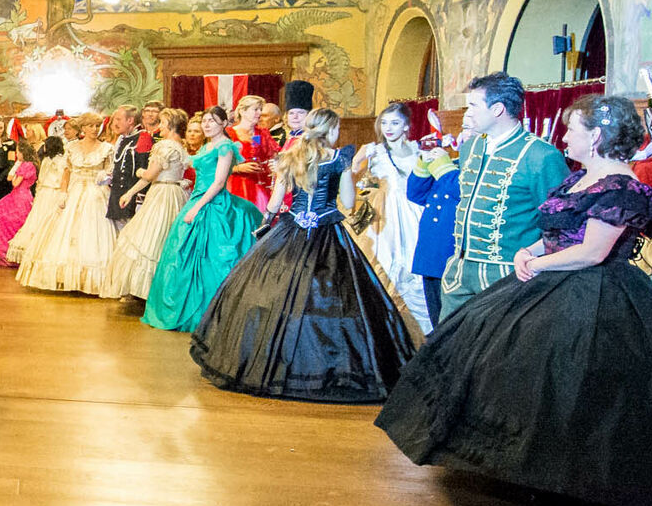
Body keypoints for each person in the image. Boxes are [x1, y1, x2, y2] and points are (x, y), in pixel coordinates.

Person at [377, 95, 652, 506]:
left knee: (575, 384)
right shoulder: (579, 180)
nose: (565, 136)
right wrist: (527, 251)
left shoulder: (621, 186)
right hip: (549, 280)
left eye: (573, 129)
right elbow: (552, 230)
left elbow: (592, 252)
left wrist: (538, 262)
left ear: (597, 136)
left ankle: (574, 484)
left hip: (599, 295)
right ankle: (518, 469)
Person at [191, 108, 411, 402]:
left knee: (276, 295)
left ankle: (275, 364)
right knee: (331, 298)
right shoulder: (339, 160)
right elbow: (347, 201)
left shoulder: (289, 158)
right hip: (327, 232)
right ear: (331, 130)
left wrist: (267, 224)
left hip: (291, 230)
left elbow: (274, 203)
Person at [438, 72, 569, 317]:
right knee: (446, 347)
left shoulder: (541, 156)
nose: (468, 113)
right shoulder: (470, 146)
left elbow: (562, 226)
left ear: (497, 109)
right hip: (458, 272)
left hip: (509, 277)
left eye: (474, 105)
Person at [145, 108, 259, 333]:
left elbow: (218, 183)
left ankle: (209, 311)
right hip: (197, 197)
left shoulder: (225, 146)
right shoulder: (207, 146)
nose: (207, 125)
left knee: (211, 257)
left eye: (213, 121)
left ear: (224, 123)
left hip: (212, 203)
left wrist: (196, 207)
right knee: (180, 253)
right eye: (205, 121)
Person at [352, 101, 434, 337]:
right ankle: (386, 331)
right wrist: (358, 164)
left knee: (414, 270)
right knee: (384, 266)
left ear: (406, 125)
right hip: (382, 217)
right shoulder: (373, 151)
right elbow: (360, 183)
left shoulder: (419, 151)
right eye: (385, 122)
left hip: (414, 214)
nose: (389, 128)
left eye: (395, 122)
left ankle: (421, 331)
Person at [14, 114, 117, 295]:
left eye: (97, 126)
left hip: (97, 193)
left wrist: (104, 178)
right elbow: (67, 173)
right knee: (65, 232)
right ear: (83, 129)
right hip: (75, 191)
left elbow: (110, 173)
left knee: (92, 233)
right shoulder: (71, 147)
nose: (95, 129)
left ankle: (90, 279)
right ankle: (65, 277)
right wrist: (63, 193)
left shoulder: (106, 148)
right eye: (91, 125)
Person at [103, 109, 193, 300]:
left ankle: (145, 290)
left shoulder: (165, 146)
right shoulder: (181, 146)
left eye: (162, 122)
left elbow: (150, 176)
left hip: (162, 194)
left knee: (150, 237)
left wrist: (139, 172)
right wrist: (130, 192)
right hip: (177, 193)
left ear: (170, 124)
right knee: (166, 238)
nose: (159, 126)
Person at [403, 130, 463, 330]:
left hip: (450, 253)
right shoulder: (453, 166)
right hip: (431, 253)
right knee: (436, 317)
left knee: (451, 321)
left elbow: (460, 191)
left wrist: (444, 167)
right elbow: (416, 194)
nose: (463, 134)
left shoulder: (466, 171)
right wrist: (425, 161)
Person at [0, 134, 65, 267]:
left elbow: (13, 182)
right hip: (28, 195)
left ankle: (3, 249)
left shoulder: (26, 165)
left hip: (19, 196)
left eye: (18, 151)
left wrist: (16, 169)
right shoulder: (37, 163)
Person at [227, 94, 276, 209]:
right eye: (255, 109)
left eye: (260, 109)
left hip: (259, 185)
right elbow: (214, 163)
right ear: (243, 112)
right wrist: (238, 168)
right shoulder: (229, 134)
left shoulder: (263, 133)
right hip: (235, 186)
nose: (259, 113)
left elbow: (275, 156)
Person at [104, 105, 146, 228]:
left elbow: (144, 170)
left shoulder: (143, 138)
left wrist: (139, 201)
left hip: (132, 201)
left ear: (130, 120)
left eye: (118, 119)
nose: (114, 123)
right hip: (117, 199)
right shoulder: (122, 139)